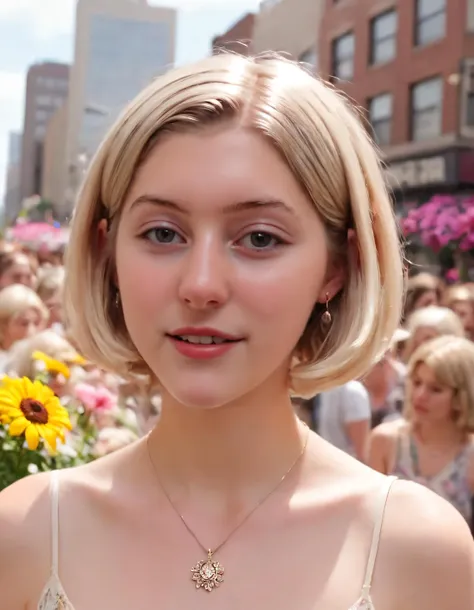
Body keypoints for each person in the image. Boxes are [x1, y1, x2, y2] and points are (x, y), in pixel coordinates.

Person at [0, 54, 472, 610]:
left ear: (337, 266)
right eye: (162, 232)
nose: (201, 285)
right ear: (106, 253)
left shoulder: (418, 550)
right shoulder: (25, 533)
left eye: (260, 239)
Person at [368, 335, 474, 531]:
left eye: (436, 389)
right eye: (417, 383)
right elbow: (368, 519)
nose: (420, 395)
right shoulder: (385, 441)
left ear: (462, 396)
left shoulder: (469, 457)